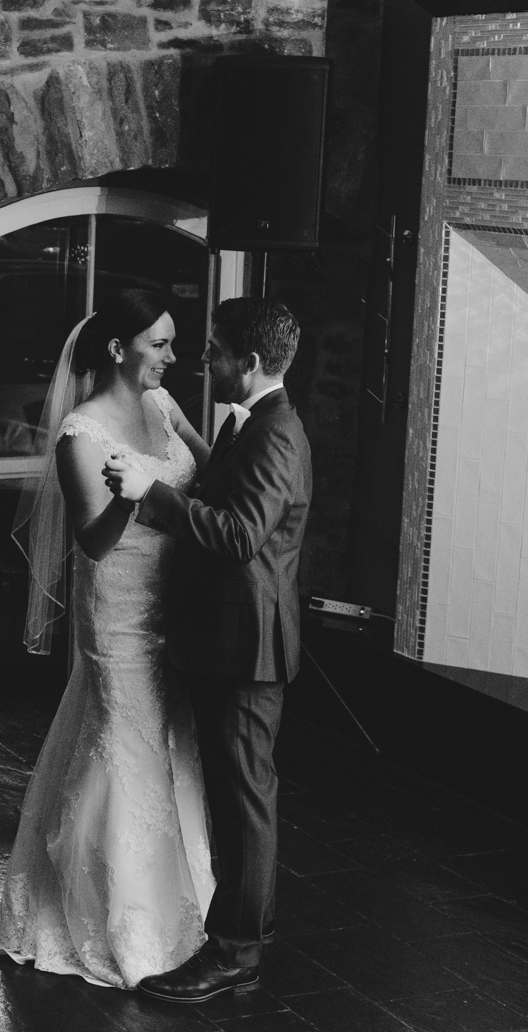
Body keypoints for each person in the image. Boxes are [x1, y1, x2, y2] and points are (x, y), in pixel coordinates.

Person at [0, 289, 217, 989]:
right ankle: (122, 919)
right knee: (125, 742)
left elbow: (209, 480)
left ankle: (184, 895)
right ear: (118, 348)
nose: (172, 355)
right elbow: (94, 541)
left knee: (172, 739)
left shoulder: (165, 407)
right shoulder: (81, 433)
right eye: (160, 343)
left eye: (171, 342)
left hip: (174, 602)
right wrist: (133, 498)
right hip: (118, 612)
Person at [104, 296, 311, 1003]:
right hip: (230, 639)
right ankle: (250, 926)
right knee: (235, 793)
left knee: (244, 798)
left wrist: (150, 492)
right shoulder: (249, 424)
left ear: (249, 364)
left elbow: (237, 534)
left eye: (216, 351)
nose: (203, 360)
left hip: (247, 648)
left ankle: (235, 952)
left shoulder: (276, 434)